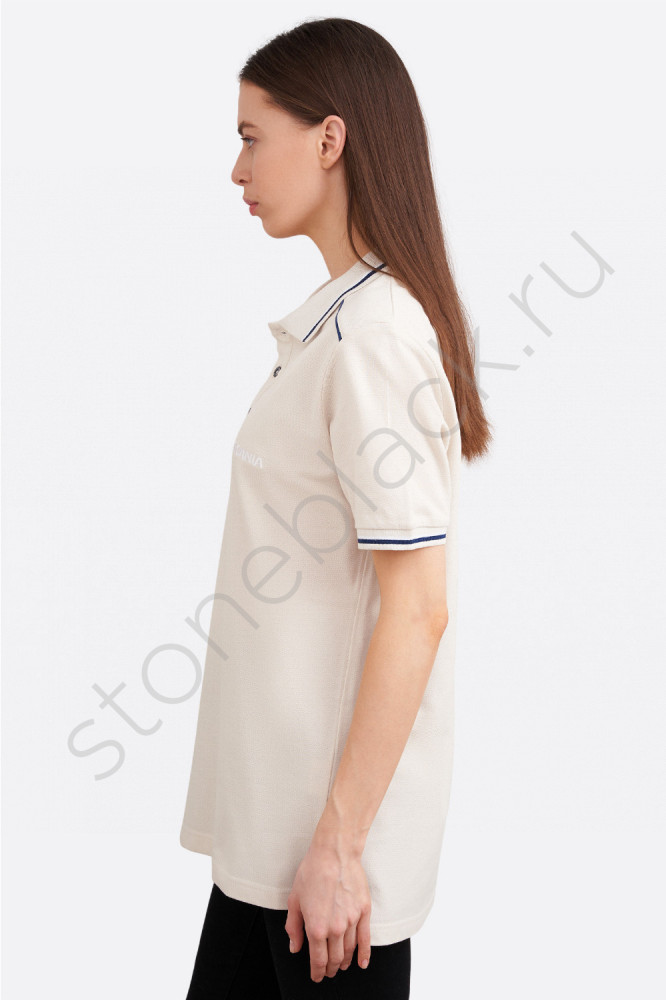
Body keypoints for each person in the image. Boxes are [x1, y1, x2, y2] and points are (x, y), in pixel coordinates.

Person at [180, 16, 492, 999]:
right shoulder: (340, 326)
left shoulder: (375, 339)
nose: (237, 169)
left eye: (250, 136)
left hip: (323, 879)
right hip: (277, 845)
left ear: (329, 138)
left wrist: (341, 847)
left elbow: (419, 608)